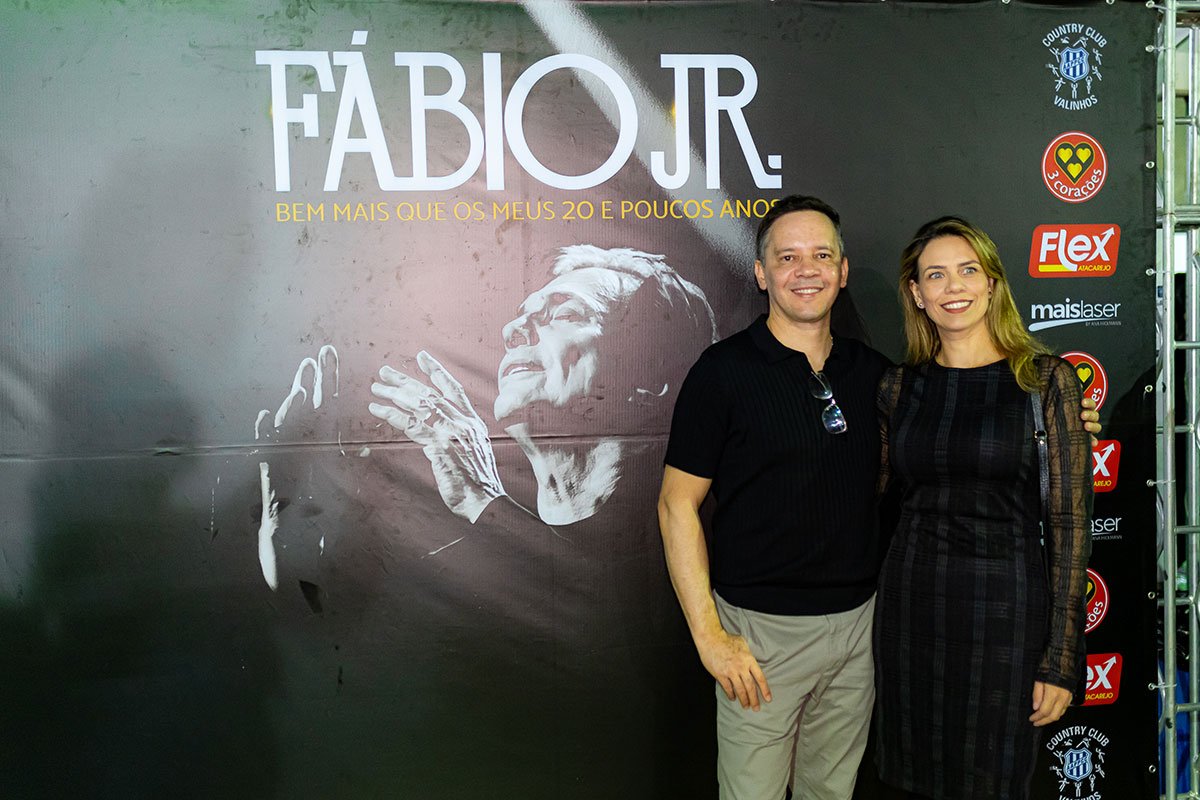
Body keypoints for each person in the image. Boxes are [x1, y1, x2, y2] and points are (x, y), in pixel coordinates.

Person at [658, 197, 1101, 800]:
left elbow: (1047, 502)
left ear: (843, 271)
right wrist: (711, 638)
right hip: (777, 635)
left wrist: (1065, 424)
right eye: (787, 258)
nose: (806, 270)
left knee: (837, 790)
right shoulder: (731, 372)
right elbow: (675, 506)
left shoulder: (878, 375)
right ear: (761, 273)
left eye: (822, 255)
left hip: (876, 626)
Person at [872, 216, 1092, 800]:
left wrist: (1062, 657)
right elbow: (876, 495)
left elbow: (1070, 525)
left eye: (968, 270)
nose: (954, 287)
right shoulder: (899, 387)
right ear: (916, 293)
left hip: (1007, 617)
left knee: (995, 778)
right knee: (910, 778)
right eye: (935, 275)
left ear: (992, 284)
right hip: (911, 611)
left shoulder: (1046, 382)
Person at [369, 244, 717, 525]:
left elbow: (595, 583)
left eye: (566, 314)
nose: (511, 330)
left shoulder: (696, 525)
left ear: (651, 375)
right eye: (521, 315)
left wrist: (484, 502)